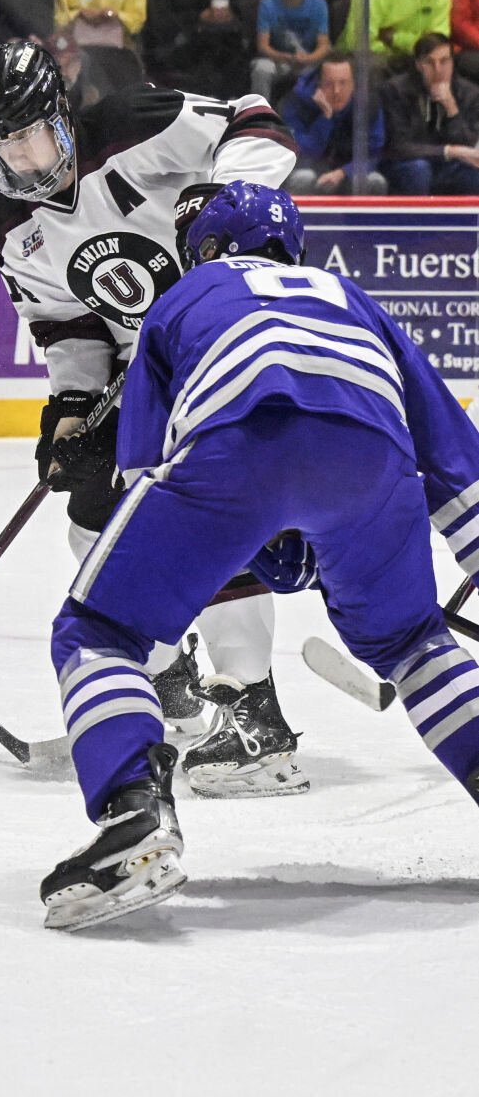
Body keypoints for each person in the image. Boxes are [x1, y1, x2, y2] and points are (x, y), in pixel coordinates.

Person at [39, 181, 479, 930]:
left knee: (96, 631)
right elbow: (452, 460)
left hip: (235, 443)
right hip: (374, 462)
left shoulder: (184, 297)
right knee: (415, 645)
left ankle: (133, 812)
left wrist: (244, 535)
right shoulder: (352, 297)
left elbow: (147, 468)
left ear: (205, 248)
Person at [0, 38, 308, 798]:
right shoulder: (5, 223)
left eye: (32, 134)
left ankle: (255, 717)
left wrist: (222, 196)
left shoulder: (134, 123)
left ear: (62, 114)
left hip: (237, 333)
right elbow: (67, 325)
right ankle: (175, 690)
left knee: (216, 510)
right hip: (149, 374)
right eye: (3, 146)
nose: (23, 158)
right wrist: (73, 411)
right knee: (95, 515)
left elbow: (258, 123)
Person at [380, 31, 479, 195]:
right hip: (408, 165)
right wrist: (448, 151)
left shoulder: (470, 94)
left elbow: (471, 148)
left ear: (453, 62)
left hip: (449, 167)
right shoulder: (395, 91)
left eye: (444, 61)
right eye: (429, 62)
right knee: (419, 169)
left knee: (474, 173)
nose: (438, 69)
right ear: (418, 65)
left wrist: (452, 109)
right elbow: (398, 146)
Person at [280, 50, 387, 193]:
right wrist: (325, 119)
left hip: (349, 171)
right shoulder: (296, 103)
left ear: (354, 84)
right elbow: (300, 154)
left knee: (374, 181)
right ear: (318, 83)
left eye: (343, 83)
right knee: (303, 178)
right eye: (329, 84)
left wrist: (344, 172)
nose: (337, 91)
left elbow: (373, 152)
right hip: (311, 168)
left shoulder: (368, 105)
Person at [250, 0, 330, 100]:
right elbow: (262, 45)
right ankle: (259, 114)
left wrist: (308, 58)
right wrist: (285, 57)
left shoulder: (319, 5)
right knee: (261, 68)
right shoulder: (268, 4)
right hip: (278, 60)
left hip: (308, 61)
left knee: (328, 70)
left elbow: (324, 46)